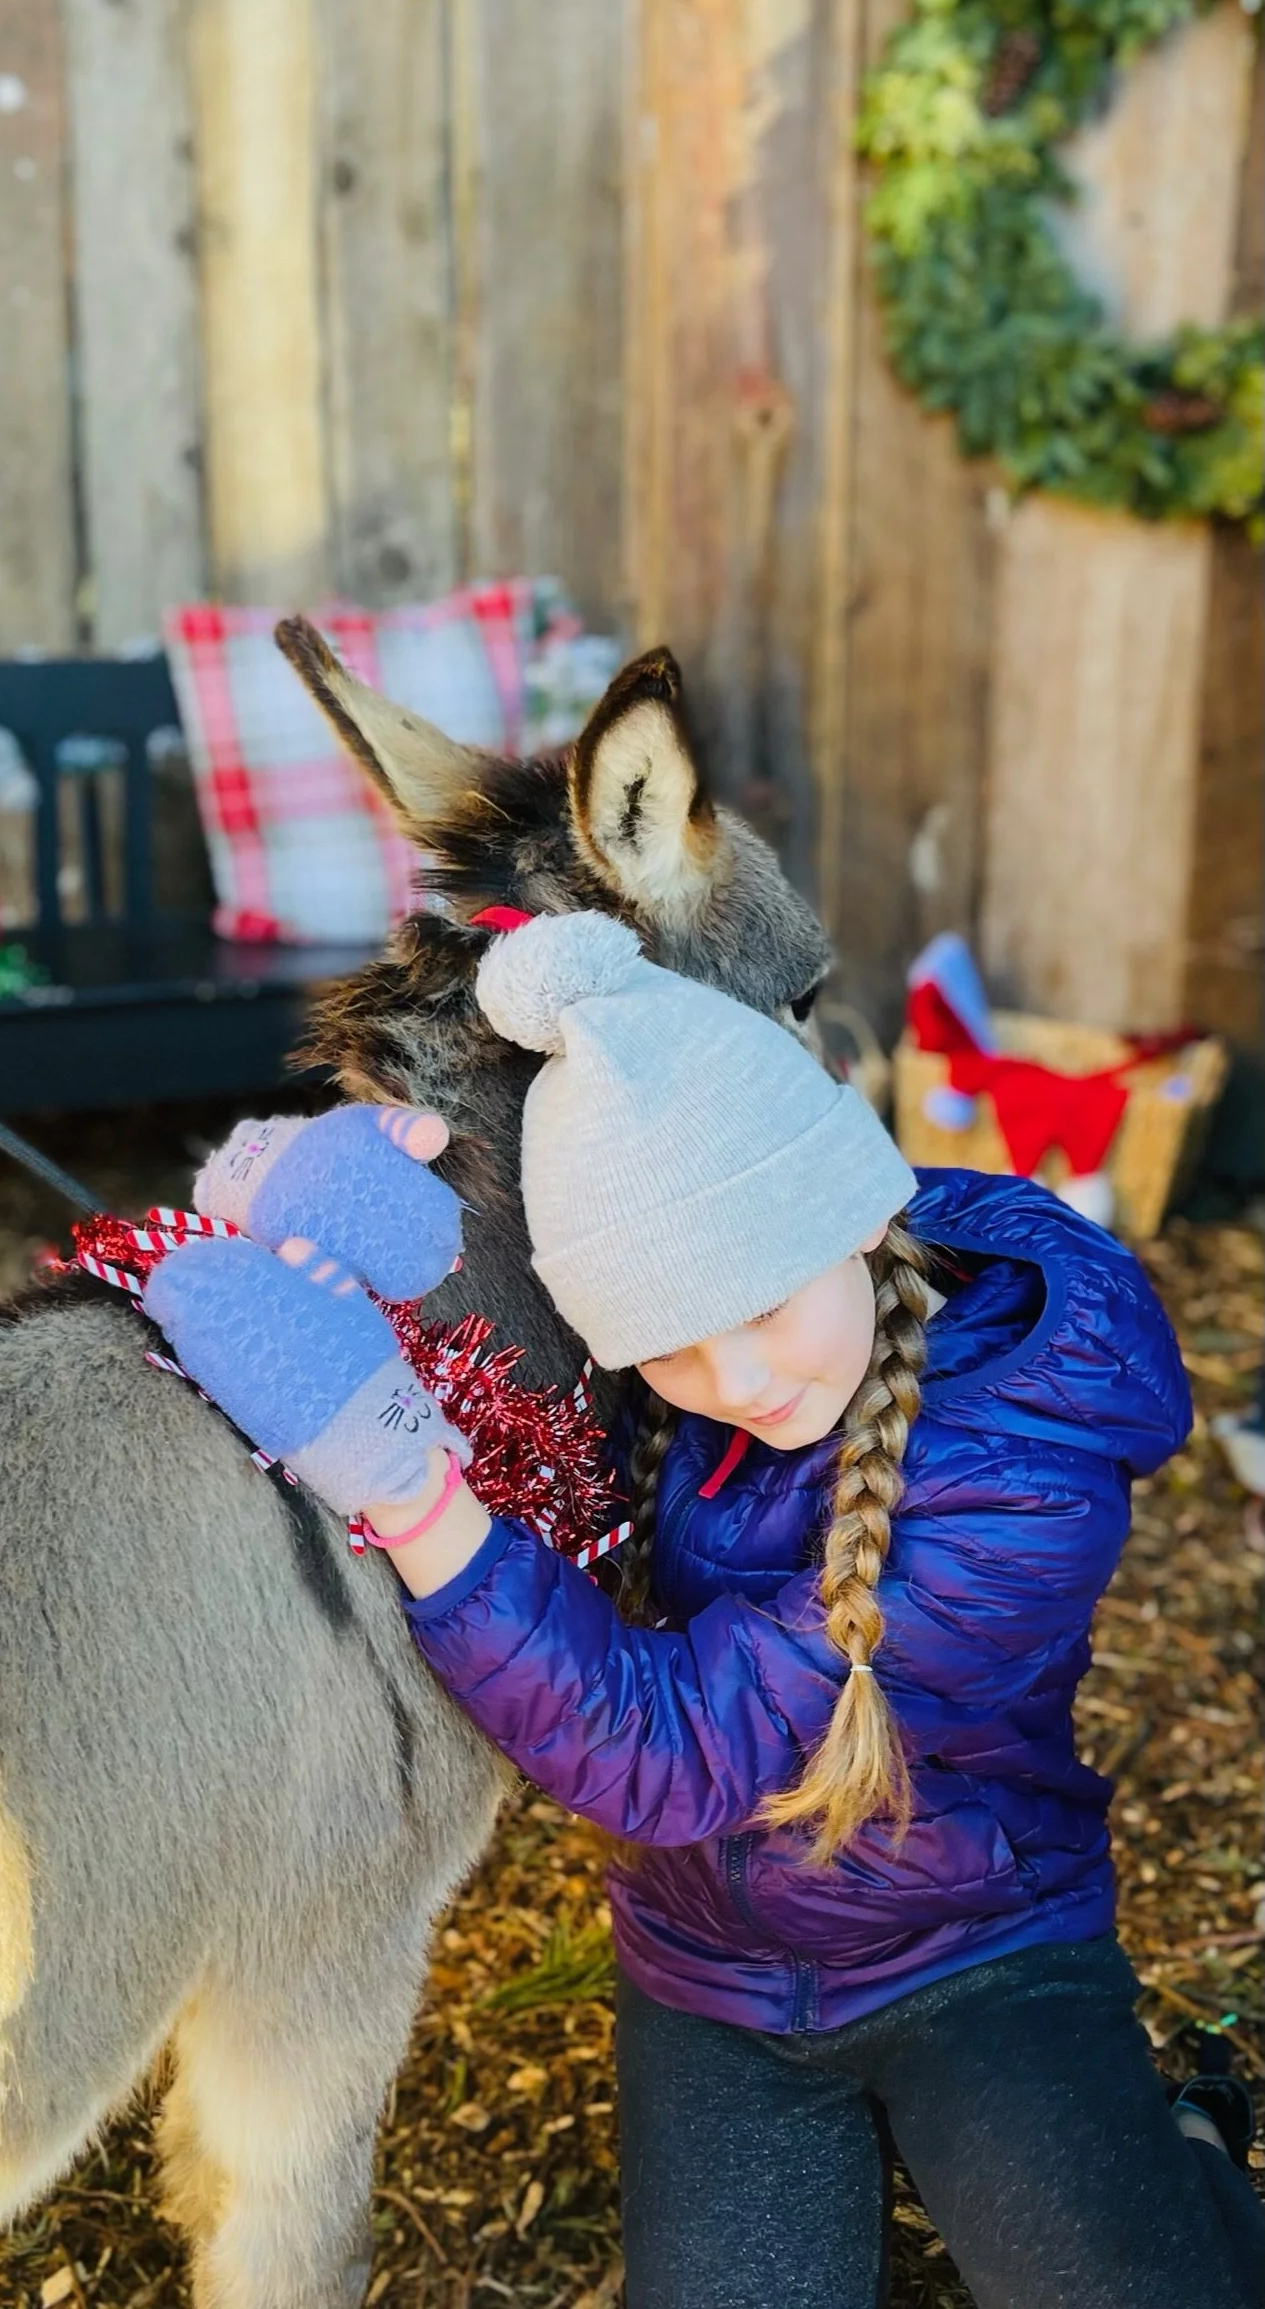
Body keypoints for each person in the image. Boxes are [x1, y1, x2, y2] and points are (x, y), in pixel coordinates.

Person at [147, 911, 1265, 2309]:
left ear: (857, 1215)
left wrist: (401, 1482)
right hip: (709, 1981)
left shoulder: (1013, 1474)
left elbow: (677, 1755)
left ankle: (1184, 2149)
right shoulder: (718, 1371)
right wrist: (355, 1227)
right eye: (666, 1343)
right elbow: (521, 1402)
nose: (732, 1377)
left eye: (762, 1304)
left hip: (978, 1952)